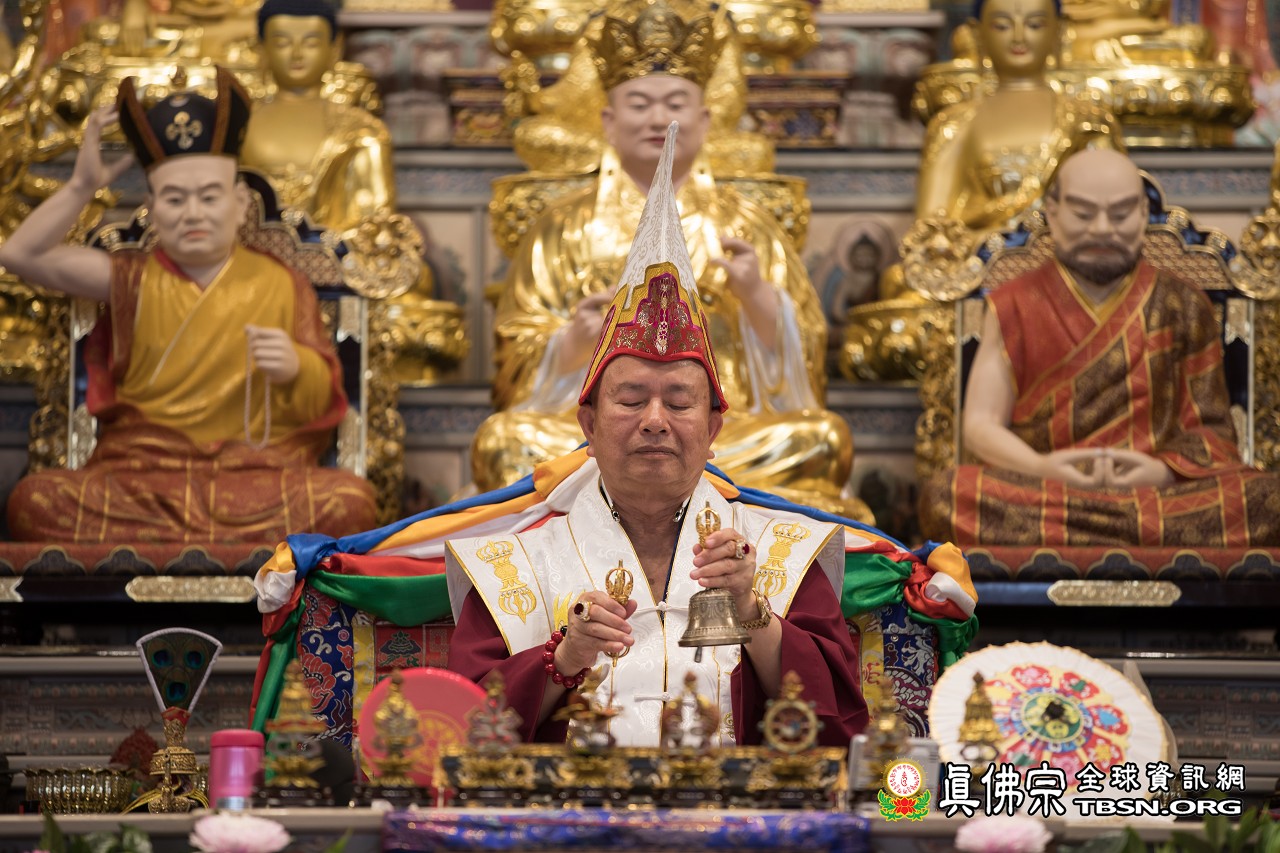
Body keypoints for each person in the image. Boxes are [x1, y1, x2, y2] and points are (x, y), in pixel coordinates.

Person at [445, 123, 867, 747]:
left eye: (679, 401)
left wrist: (752, 612)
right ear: (587, 424)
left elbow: (839, 724)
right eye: (630, 399)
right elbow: (460, 726)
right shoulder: (516, 563)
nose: (654, 420)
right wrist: (564, 658)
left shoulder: (784, 552)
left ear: (715, 427)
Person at [471, 0, 864, 520]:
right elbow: (514, 353)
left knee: (821, 439)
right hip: (591, 431)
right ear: (608, 121)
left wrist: (757, 299)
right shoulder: (562, 226)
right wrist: (569, 345)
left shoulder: (745, 224)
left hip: (723, 430)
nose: (658, 119)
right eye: (639, 104)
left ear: (705, 120)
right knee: (505, 441)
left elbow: (806, 360)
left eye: (675, 104)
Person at [0, 67, 378, 543]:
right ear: (153, 208)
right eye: (175, 199)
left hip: (254, 474)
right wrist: (81, 186)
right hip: (143, 475)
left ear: (240, 203)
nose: (193, 214)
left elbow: (323, 399)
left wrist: (296, 367)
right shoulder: (131, 278)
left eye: (209, 197)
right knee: (35, 501)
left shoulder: (282, 283)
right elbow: (19, 256)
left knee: (350, 502)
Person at [919, 148, 1280, 546]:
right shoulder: (1013, 304)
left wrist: (1160, 472)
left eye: (1121, 214)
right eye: (1083, 214)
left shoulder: (1183, 303)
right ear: (1053, 213)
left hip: (1156, 492)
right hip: (1047, 488)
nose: (1103, 229)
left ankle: (1090, 533)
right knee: (945, 495)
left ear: (1143, 214)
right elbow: (981, 425)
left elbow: (1212, 432)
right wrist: (1043, 467)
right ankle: (1135, 534)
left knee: (1267, 499)